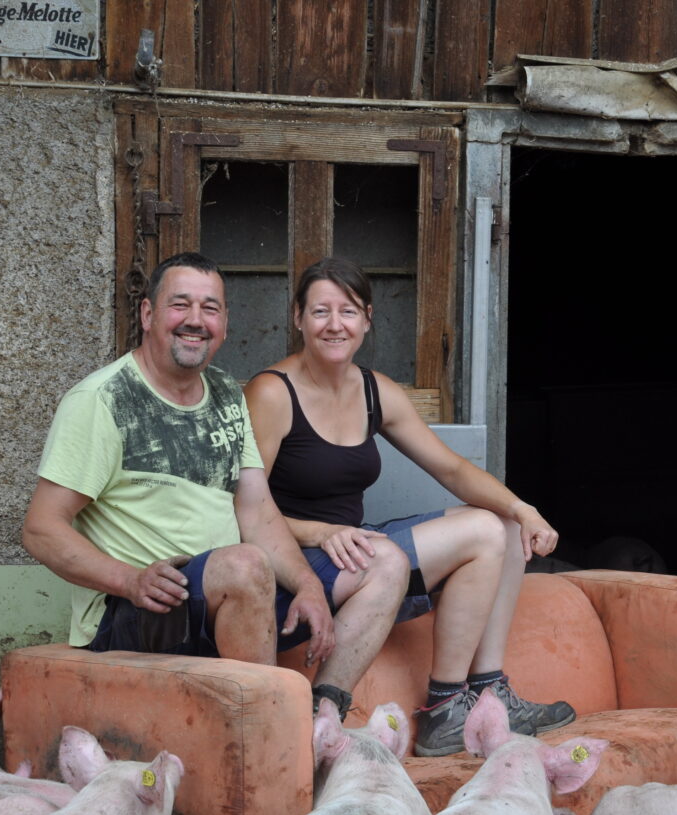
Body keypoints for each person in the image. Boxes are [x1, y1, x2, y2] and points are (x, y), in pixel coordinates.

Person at [22, 252, 408, 718]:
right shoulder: (103, 401)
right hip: (140, 609)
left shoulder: (225, 391)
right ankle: (268, 732)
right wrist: (128, 580)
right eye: (179, 305)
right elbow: (41, 528)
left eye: (210, 308)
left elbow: (257, 510)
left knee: (373, 561)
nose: (195, 321)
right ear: (148, 315)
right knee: (245, 565)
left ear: (224, 323)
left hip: (224, 597)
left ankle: (321, 716)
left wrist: (307, 585)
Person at [243, 256, 575, 755]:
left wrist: (524, 508)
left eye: (349, 312)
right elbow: (243, 508)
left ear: (368, 319)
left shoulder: (376, 390)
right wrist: (317, 531)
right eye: (320, 312)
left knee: (502, 526)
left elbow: (453, 470)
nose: (335, 325)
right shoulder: (272, 392)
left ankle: (487, 693)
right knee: (484, 532)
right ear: (297, 319)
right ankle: (444, 707)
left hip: (359, 553)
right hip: (298, 564)